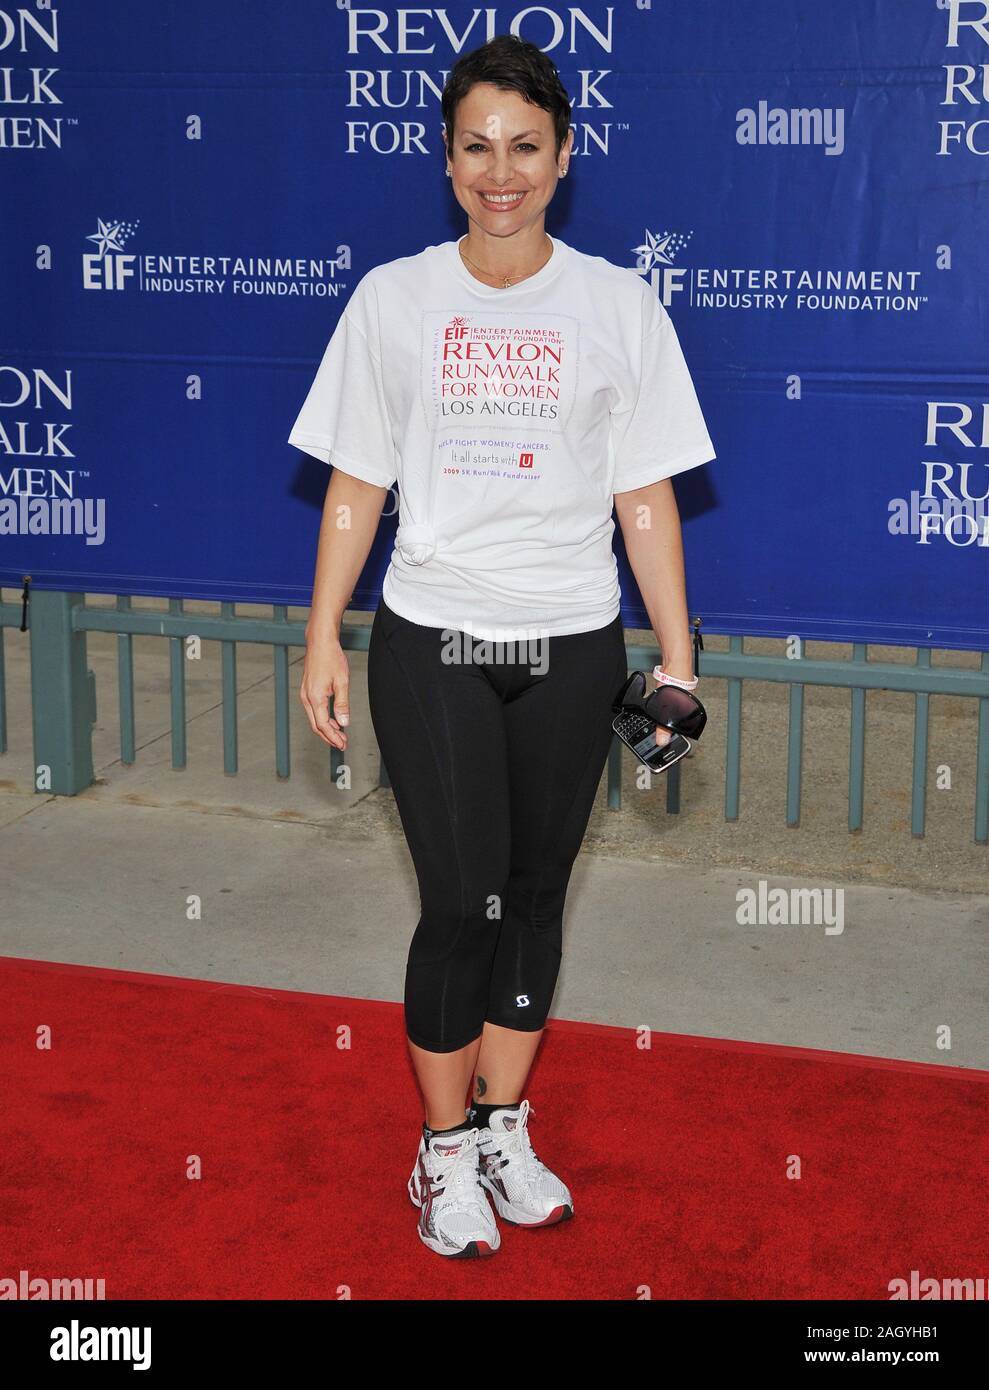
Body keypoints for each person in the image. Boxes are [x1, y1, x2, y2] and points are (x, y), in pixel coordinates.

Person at [289, 34, 716, 1260]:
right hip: (433, 638)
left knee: (534, 898)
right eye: (475, 146)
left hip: (574, 643)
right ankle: (438, 1152)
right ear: (446, 158)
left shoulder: (616, 307)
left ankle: (501, 1126)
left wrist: (674, 661)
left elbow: (644, 499)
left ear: (564, 156)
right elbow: (354, 483)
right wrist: (323, 631)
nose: (499, 170)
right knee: (460, 905)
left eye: (524, 146)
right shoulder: (394, 299)